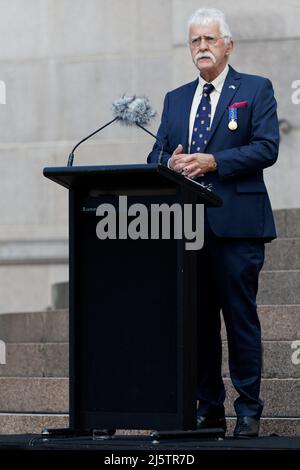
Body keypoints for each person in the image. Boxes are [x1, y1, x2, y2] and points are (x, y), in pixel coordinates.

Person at [147, 7, 279, 438]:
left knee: (240, 319)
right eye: (195, 42)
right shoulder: (175, 99)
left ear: (227, 45)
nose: (201, 47)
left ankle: (248, 409)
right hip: (186, 228)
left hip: (237, 226)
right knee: (198, 324)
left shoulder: (256, 90)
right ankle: (209, 409)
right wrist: (171, 162)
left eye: (209, 39)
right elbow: (155, 157)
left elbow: (266, 148)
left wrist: (212, 161)